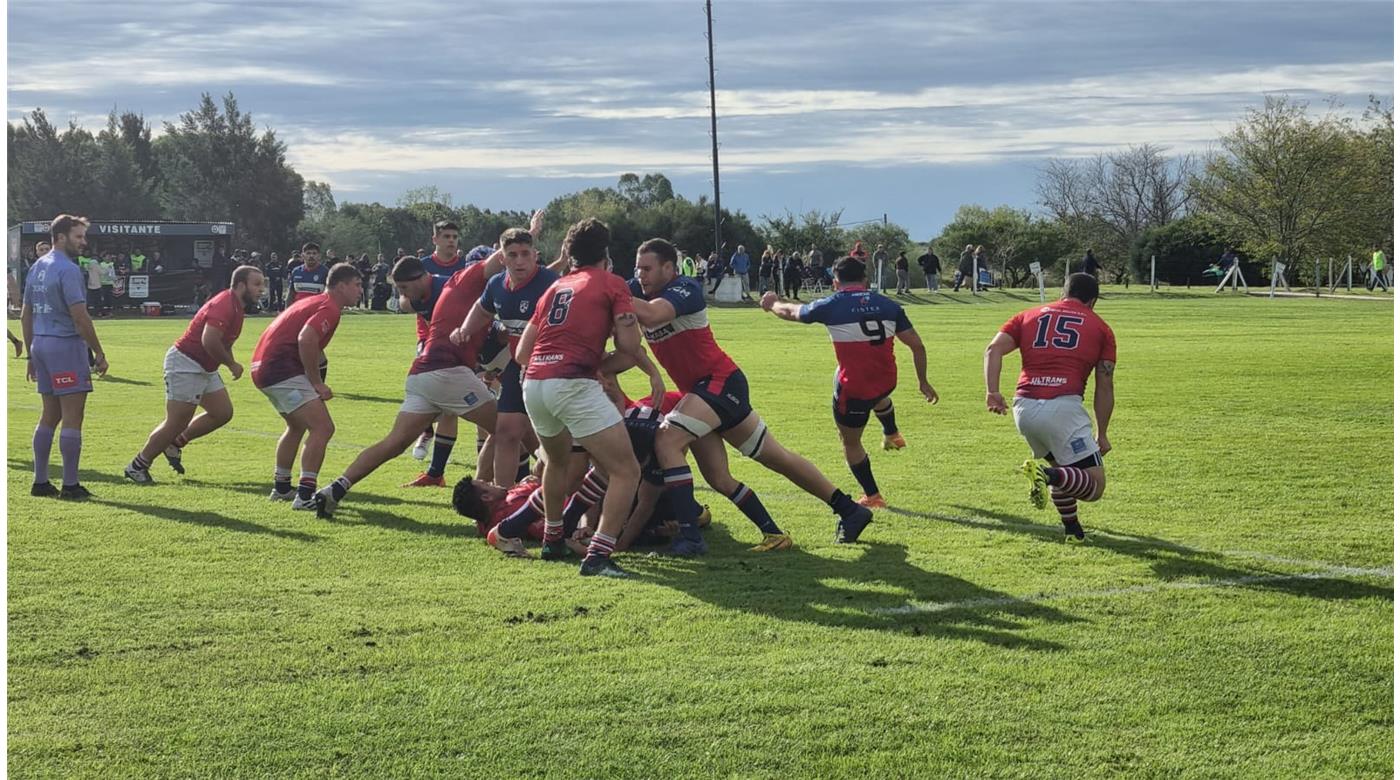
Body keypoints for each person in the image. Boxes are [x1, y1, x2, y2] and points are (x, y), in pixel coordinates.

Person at [631, 238, 874, 555]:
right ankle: (845, 512)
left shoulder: (685, 288)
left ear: (668, 267)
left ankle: (690, 538)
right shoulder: (636, 290)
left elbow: (650, 315)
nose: (640, 275)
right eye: (637, 268)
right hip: (704, 392)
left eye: (647, 268)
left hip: (718, 383)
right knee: (728, 474)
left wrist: (612, 293)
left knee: (667, 441)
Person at [515, 218, 667, 578]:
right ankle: (598, 556)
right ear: (606, 253)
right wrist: (601, 365)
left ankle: (553, 540)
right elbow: (629, 348)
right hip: (571, 384)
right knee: (626, 470)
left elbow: (522, 352)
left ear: (569, 254)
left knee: (556, 462)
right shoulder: (611, 284)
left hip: (534, 383)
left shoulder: (554, 288)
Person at [313, 253, 508, 519]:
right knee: (509, 428)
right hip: (446, 371)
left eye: (404, 288)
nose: (403, 295)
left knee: (394, 443)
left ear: (420, 278)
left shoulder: (457, 282)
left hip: (423, 374)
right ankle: (505, 498)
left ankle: (335, 488)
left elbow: (497, 261)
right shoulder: (458, 283)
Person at [760, 257, 938, 507]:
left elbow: (791, 311)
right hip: (887, 379)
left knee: (850, 442)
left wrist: (773, 303)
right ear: (865, 281)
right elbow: (917, 345)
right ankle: (892, 432)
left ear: (835, 283)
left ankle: (873, 496)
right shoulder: (889, 305)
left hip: (854, 389)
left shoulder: (832, 305)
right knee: (872, 391)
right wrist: (923, 381)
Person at [984, 273, 1116, 542]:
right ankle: (1045, 474)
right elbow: (1105, 385)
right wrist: (1102, 433)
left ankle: (1073, 532)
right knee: (1094, 487)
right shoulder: (1101, 328)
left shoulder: (1027, 315)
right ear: (1093, 301)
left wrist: (993, 392)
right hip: (1062, 408)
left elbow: (992, 350)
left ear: (1061, 293)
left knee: (1064, 470)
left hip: (1025, 408)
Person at [451, 225, 568, 490]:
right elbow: (482, 309)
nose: (519, 261)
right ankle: (501, 500)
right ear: (501, 258)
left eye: (525, 254)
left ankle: (561, 495)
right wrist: (465, 330)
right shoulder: (496, 284)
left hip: (553, 368)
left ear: (535, 255)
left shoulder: (551, 283)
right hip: (518, 368)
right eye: (512, 255)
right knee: (505, 432)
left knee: (555, 438)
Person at [124, 265, 266, 483]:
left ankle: (175, 442)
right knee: (176, 422)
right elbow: (209, 340)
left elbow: (222, 340)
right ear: (240, 285)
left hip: (204, 367)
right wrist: (231, 364)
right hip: (186, 363)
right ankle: (138, 465)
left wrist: (229, 360)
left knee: (222, 412)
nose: (261, 289)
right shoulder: (225, 304)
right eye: (257, 284)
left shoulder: (236, 306)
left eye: (262, 284)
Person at [250, 263, 362, 509]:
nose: (360, 291)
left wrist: (318, 378)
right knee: (323, 428)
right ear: (341, 285)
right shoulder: (330, 307)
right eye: (357, 285)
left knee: (296, 426)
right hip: (280, 369)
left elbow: (315, 349)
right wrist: (317, 383)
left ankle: (281, 488)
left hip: (262, 368)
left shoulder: (314, 302)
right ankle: (304, 496)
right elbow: (306, 338)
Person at [22, 215, 109, 500]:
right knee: (73, 416)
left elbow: (26, 314)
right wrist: (98, 351)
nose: (83, 242)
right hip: (64, 346)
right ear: (60, 237)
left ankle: (40, 481)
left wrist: (31, 353)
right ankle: (70, 485)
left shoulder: (37, 266)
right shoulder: (68, 270)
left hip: (42, 345)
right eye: (78, 236)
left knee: (50, 414)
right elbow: (80, 316)